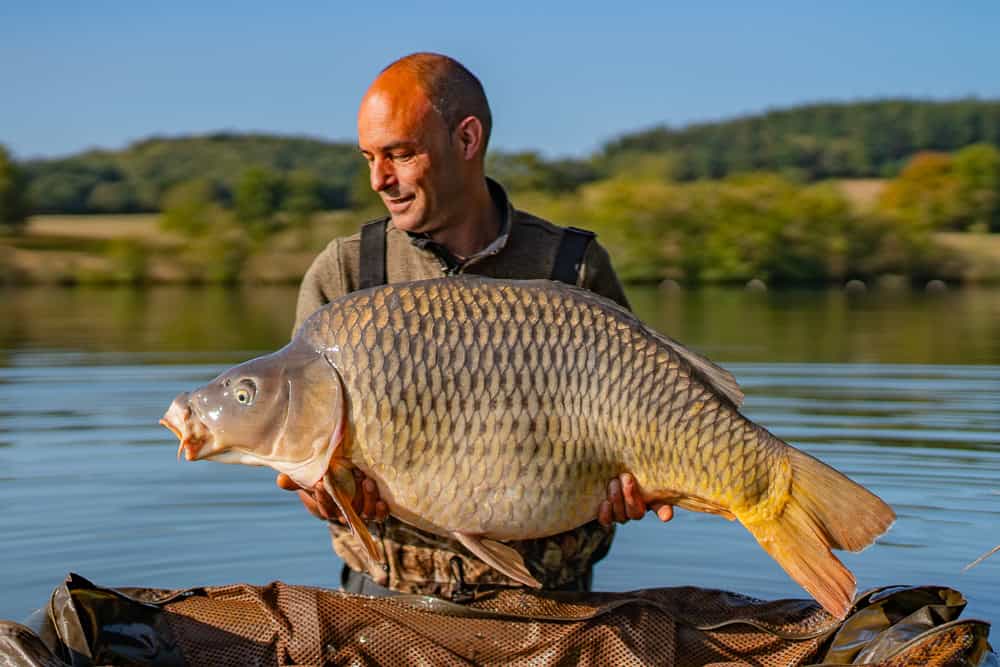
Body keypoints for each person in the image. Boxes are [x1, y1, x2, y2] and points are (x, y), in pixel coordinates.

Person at [277, 52, 673, 598]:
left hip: (552, 596)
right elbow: (306, 456)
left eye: (399, 154)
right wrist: (321, 491)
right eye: (369, 157)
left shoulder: (572, 266)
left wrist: (627, 491)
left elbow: (639, 424)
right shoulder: (346, 274)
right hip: (392, 599)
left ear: (467, 141)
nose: (378, 179)